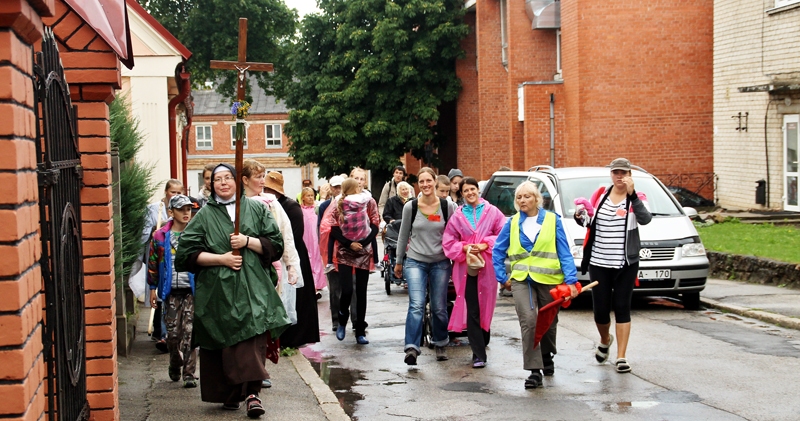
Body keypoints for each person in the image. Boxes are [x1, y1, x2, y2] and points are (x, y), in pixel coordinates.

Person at [174, 163, 288, 417]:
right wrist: (221, 259)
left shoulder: (257, 209)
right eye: (218, 179)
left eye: (228, 178)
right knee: (224, 339)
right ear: (211, 185)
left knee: (252, 334)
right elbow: (186, 255)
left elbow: (275, 245)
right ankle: (231, 393)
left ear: (238, 182)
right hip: (218, 291)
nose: (224, 183)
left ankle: (252, 394)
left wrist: (247, 241)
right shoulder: (203, 216)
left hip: (253, 288)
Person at [492, 181, 579, 389]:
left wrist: (571, 280)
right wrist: (502, 277)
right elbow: (498, 250)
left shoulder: (552, 220)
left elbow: (564, 251)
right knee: (529, 321)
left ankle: (547, 355)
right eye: (519, 197)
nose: (523, 200)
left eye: (527, 196)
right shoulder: (512, 223)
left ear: (536, 199)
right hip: (521, 280)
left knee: (549, 323)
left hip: (549, 280)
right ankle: (534, 370)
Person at [573, 157, 652, 374]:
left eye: (624, 173)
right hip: (599, 262)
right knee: (600, 311)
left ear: (630, 175)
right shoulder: (601, 195)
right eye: (616, 172)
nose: (620, 176)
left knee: (622, 307)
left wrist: (633, 194)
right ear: (611, 174)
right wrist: (580, 217)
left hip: (625, 263)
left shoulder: (638, 198)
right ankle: (605, 339)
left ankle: (621, 356)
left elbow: (645, 219)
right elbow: (589, 220)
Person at [241, 160, 302, 389]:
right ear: (245, 179)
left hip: (268, 269)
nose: (262, 181)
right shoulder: (237, 206)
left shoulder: (272, 204)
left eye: (264, 176)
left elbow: (285, 236)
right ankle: (247, 369)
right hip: (243, 270)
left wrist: (291, 265)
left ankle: (260, 368)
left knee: (264, 320)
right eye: (258, 176)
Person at [394, 167, 458, 365]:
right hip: (415, 261)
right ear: (418, 184)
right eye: (421, 182)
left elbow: (455, 234)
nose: (425, 185)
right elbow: (403, 235)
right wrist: (398, 261)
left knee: (439, 306)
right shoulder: (410, 207)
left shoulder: (448, 207)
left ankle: (440, 342)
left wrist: (457, 259)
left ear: (435, 183)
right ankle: (411, 348)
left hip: (440, 262)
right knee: (416, 304)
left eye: (428, 181)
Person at [442, 177, 506, 369]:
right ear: (461, 194)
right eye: (465, 191)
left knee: (485, 303)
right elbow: (448, 240)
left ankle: (483, 337)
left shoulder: (492, 211)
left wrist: (486, 243)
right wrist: (464, 247)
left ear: (478, 190)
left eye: (472, 189)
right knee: (471, 306)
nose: (470, 193)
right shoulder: (458, 216)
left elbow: (503, 233)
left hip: (487, 266)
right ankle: (478, 354)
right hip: (466, 267)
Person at [264, 171, 321, 349]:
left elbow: (294, 235)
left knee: (297, 298)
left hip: (292, 255)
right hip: (276, 255)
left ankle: (295, 338)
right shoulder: (267, 205)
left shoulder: (291, 207)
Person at [147, 194, 197, 388]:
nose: (187, 213)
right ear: (171, 212)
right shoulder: (160, 237)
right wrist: (153, 288)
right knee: (173, 334)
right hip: (170, 291)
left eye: (189, 209)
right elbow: (153, 264)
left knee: (190, 332)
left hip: (191, 290)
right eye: (182, 209)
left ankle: (189, 373)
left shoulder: (195, 233)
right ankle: (175, 362)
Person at [329, 176, 381, 344]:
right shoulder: (338, 203)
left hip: (364, 250)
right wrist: (349, 243)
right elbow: (333, 228)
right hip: (345, 251)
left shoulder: (369, 201)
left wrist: (363, 243)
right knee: (346, 290)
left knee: (361, 291)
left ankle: (360, 331)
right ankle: (342, 321)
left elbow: (375, 223)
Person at [142, 179, 185, 351]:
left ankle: (175, 337)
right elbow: (145, 233)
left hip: (179, 265)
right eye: (172, 192)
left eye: (179, 192)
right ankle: (164, 335)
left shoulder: (185, 210)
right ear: (166, 192)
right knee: (164, 297)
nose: (175, 195)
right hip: (161, 257)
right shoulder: (155, 209)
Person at [318, 176, 358, 332]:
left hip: (352, 252)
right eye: (335, 187)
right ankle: (336, 319)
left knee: (353, 286)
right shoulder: (325, 206)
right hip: (333, 252)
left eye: (340, 186)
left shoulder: (356, 204)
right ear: (330, 188)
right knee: (335, 288)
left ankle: (356, 320)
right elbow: (323, 230)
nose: (338, 190)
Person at [300, 187, 326, 294]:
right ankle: (311, 284)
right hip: (306, 238)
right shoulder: (300, 210)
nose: (310, 198)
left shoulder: (317, 208)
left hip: (316, 238)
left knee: (317, 258)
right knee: (309, 258)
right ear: (303, 198)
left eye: (312, 195)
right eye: (308, 196)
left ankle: (317, 283)